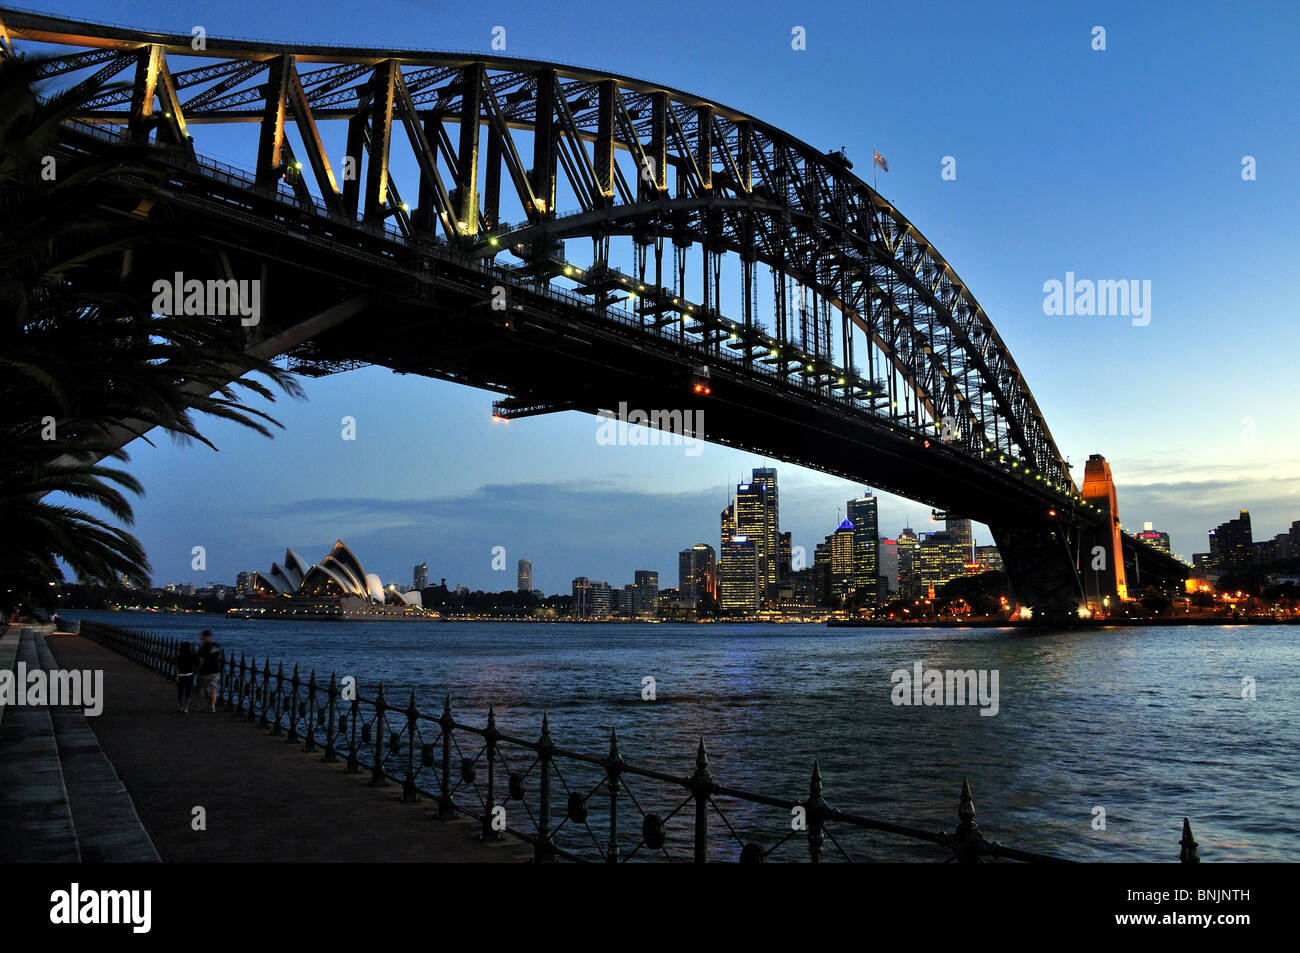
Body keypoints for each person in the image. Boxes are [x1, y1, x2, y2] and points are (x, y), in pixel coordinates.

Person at [195, 630, 223, 713]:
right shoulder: (217, 645)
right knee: (214, 688)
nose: (201, 638)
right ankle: (212, 706)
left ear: (205, 637)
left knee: (201, 688)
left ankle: (201, 704)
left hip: (206, 670)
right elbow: (217, 655)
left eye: (202, 637)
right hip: (216, 669)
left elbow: (199, 657)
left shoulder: (204, 646)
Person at [175, 641, 197, 713]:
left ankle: (180, 706)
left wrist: (177, 676)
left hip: (181, 675)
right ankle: (186, 708)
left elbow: (177, 667)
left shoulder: (180, 656)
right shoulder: (192, 655)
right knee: (188, 692)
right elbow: (197, 663)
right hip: (189, 675)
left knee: (180, 692)